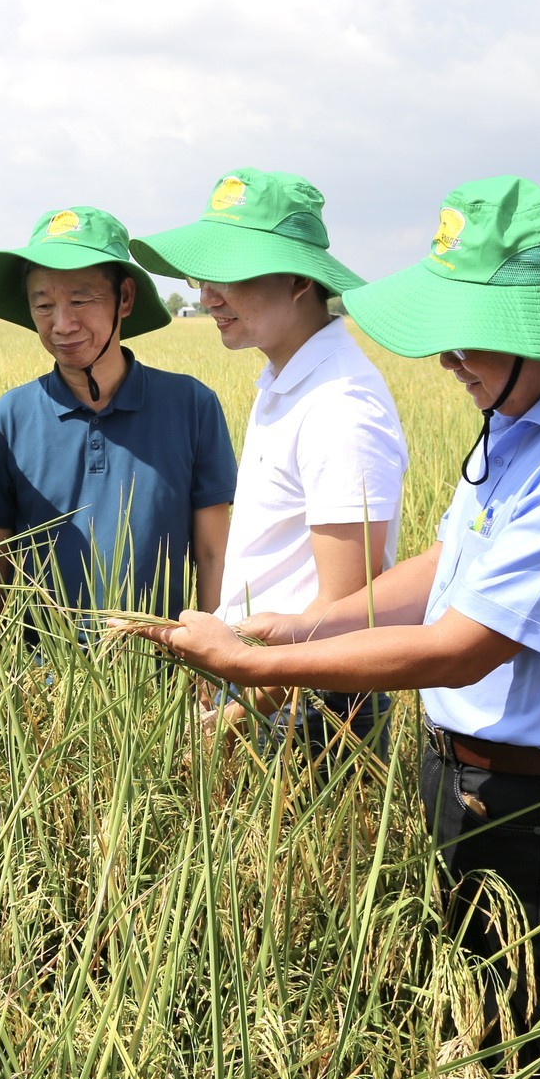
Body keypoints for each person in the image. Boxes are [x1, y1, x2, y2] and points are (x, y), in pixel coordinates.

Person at [134, 176, 540, 1079]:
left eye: (465, 330)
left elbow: (462, 645)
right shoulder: (526, 418)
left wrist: (254, 666)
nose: (444, 358)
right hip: (473, 780)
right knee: (484, 1037)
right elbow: (454, 565)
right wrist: (302, 621)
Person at [131, 169, 408, 757]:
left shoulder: (339, 406)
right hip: (264, 684)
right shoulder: (286, 379)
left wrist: (239, 709)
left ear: (298, 280)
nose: (207, 296)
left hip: (310, 708)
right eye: (202, 276)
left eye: (229, 275)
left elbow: (343, 609)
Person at [0, 205, 236, 624]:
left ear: (124, 299)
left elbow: (212, 552)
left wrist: (213, 662)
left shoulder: (191, 405)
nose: (62, 324)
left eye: (80, 300)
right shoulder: (8, 420)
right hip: (43, 674)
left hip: (161, 667)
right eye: (43, 306)